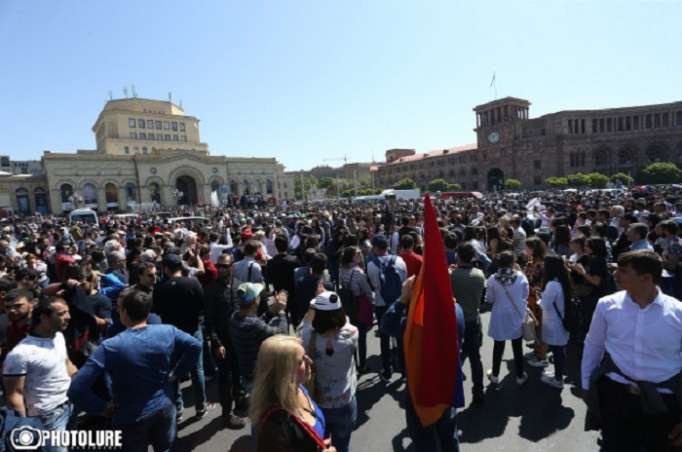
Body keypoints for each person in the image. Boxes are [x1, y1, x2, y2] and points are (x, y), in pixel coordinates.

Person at [68, 290, 202, 452]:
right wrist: (177, 374)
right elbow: (195, 345)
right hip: (165, 407)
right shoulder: (168, 331)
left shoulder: (110, 346)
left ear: (124, 311)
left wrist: (101, 407)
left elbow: (76, 388)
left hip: (130, 417)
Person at [581, 250, 682, 452]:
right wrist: (586, 386)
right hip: (616, 396)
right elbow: (593, 345)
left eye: (624, 271)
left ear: (646, 278)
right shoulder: (606, 305)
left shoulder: (678, 313)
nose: (615, 275)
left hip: (664, 402)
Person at [3, 297, 77, 452]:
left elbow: (66, 364)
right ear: (44, 317)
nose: (68, 317)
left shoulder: (58, 336)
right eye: (62, 313)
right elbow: (14, 395)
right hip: (47, 416)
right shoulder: (20, 354)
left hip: (69, 405)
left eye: (68, 312)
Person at [152, 253, 213, 422]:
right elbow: (203, 305)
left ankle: (177, 409)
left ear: (166, 268)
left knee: (173, 372)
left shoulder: (159, 287)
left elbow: (156, 310)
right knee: (197, 369)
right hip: (193, 331)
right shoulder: (193, 283)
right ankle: (201, 407)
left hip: (170, 334)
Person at [250, 335, 336, 452]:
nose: (310, 361)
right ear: (284, 372)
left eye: (306, 356)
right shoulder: (275, 427)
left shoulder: (298, 387)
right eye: (301, 361)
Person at [298, 291, 358, 452]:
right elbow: (345, 322)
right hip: (345, 400)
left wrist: (313, 308)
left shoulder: (308, 336)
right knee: (343, 445)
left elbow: (305, 324)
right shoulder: (352, 333)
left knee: (321, 444)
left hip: (319, 401)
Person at [203, 253, 246, 428]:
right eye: (218, 266)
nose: (220, 269)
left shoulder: (238, 286)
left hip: (237, 339)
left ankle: (240, 399)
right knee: (225, 379)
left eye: (224, 266)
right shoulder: (211, 290)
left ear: (232, 267)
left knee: (238, 373)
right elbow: (209, 320)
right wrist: (216, 342)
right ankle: (226, 414)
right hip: (222, 342)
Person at [229, 282, 288, 397]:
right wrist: (281, 311)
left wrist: (272, 310)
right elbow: (281, 333)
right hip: (259, 377)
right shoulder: (253, 324)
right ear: (256, 300)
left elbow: (258, 325)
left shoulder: (235, 317)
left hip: (247, 374)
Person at [485, 251, 529, 386]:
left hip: (499, 316)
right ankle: (520, 375)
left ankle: (495, 375)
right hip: (516, 315)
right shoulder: (521, 276)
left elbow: (490, 299)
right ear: (513, 262)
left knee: (498, 346)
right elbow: (525, 295)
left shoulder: (493, 279)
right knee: (517, 347)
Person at [367, 234, 406, 381]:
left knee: (384, 338)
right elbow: (404, 279)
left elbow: (373, 284)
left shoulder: (371, 265)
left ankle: (387, 369)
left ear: (376, 248)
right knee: (401, 336)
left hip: (381, 304)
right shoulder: (400, 260)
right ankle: (403, 370)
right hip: (399, 302)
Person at [450, 243, 486, 404]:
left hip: (455, 320)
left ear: (458, 256)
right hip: (473, 319)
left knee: (453, 356)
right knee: (475, 357)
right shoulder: (479, 274)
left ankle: (452, 391)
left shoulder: (452, 275)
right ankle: (478, 390)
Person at [537, 255, 571, 389]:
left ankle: (558, 379)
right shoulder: (563, 281)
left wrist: (540, 298)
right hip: (561, 321)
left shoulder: (552, 284)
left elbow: (545, 305)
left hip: (554, 322)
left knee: (557, 351)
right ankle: (558, 375)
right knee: (559, 350)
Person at [338, 246, 374, 371]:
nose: (360, 255)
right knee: (361, 337)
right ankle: (362, 365)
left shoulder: (342, 269)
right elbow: (367, 290)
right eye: (357, 254)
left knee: (350, 336)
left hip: (347, 305)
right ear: (351, 257)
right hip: (358, 304)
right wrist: (372, 300)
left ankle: (353, 362)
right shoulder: (358, 272)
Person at [3, 288, 33, 353]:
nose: (12, 310)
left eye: (18, 306)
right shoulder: (8, 327)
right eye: (8, 307)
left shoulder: (42, 328)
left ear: (32, 304)